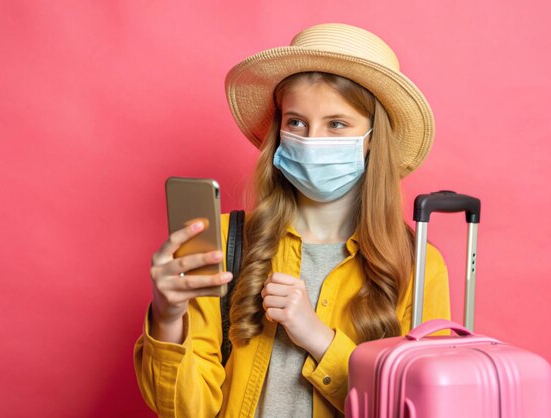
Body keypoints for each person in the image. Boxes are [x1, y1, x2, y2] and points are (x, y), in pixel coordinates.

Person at [134, 23, 450, 418]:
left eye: (337, 124)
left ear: (373, 139)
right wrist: (167, 319)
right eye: (297, 122)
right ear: (278, 130)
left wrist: (318, 339)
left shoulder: (419, 266)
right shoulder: (225, 241)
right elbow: (186, 411)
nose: (312, 139)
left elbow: (420, 407)